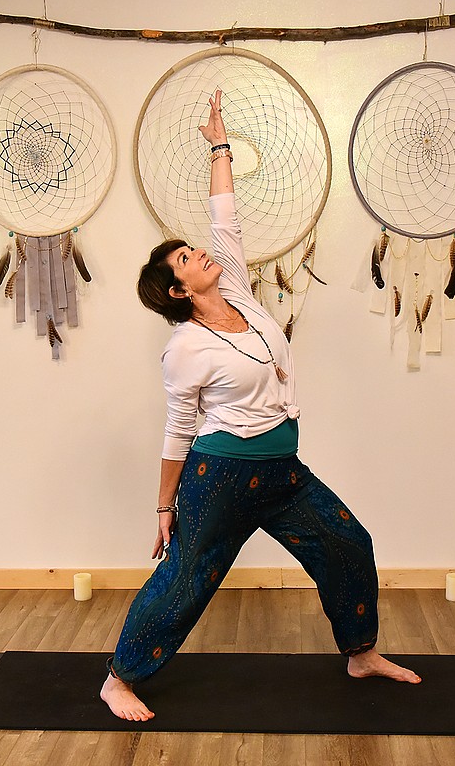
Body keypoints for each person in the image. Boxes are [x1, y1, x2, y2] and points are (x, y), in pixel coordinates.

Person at [100, 90, 420, 722]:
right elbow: (177, 431)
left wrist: (218, 144)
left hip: (281, 472)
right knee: (188, 581)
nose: (201, 253)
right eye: (188, 258)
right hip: (220, 478)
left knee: (349, 542)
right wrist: (165, 506)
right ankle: (117, 679)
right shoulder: (187, 347)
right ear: (178, 289)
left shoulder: (241, 296)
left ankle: (360, 652)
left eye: (193, 248)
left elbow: (226, 216)